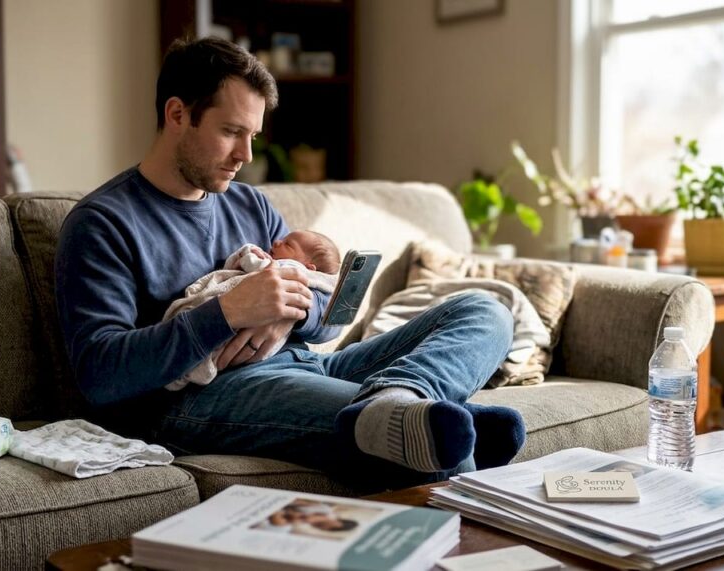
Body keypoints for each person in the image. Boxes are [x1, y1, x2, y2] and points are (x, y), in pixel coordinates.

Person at [54, 37, 525, 489]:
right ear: (177, 114)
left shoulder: (250, 204)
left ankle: (402, 393)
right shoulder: (102, 224)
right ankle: (413, 418)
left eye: (253, 135)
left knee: (486, 311)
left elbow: (324, 327)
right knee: (418, 438)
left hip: (311, 366)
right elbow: (100, 373)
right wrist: (230, 312)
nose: (246, 155)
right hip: (205, 397)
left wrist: (288, 312)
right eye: (231, 132)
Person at [162, 231, 340, 388]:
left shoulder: (291, 267)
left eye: (287, 244)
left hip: (298, 361)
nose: (276, 242)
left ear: (309, 268)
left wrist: (295, 310)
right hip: (245, 376)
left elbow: (337, 319)